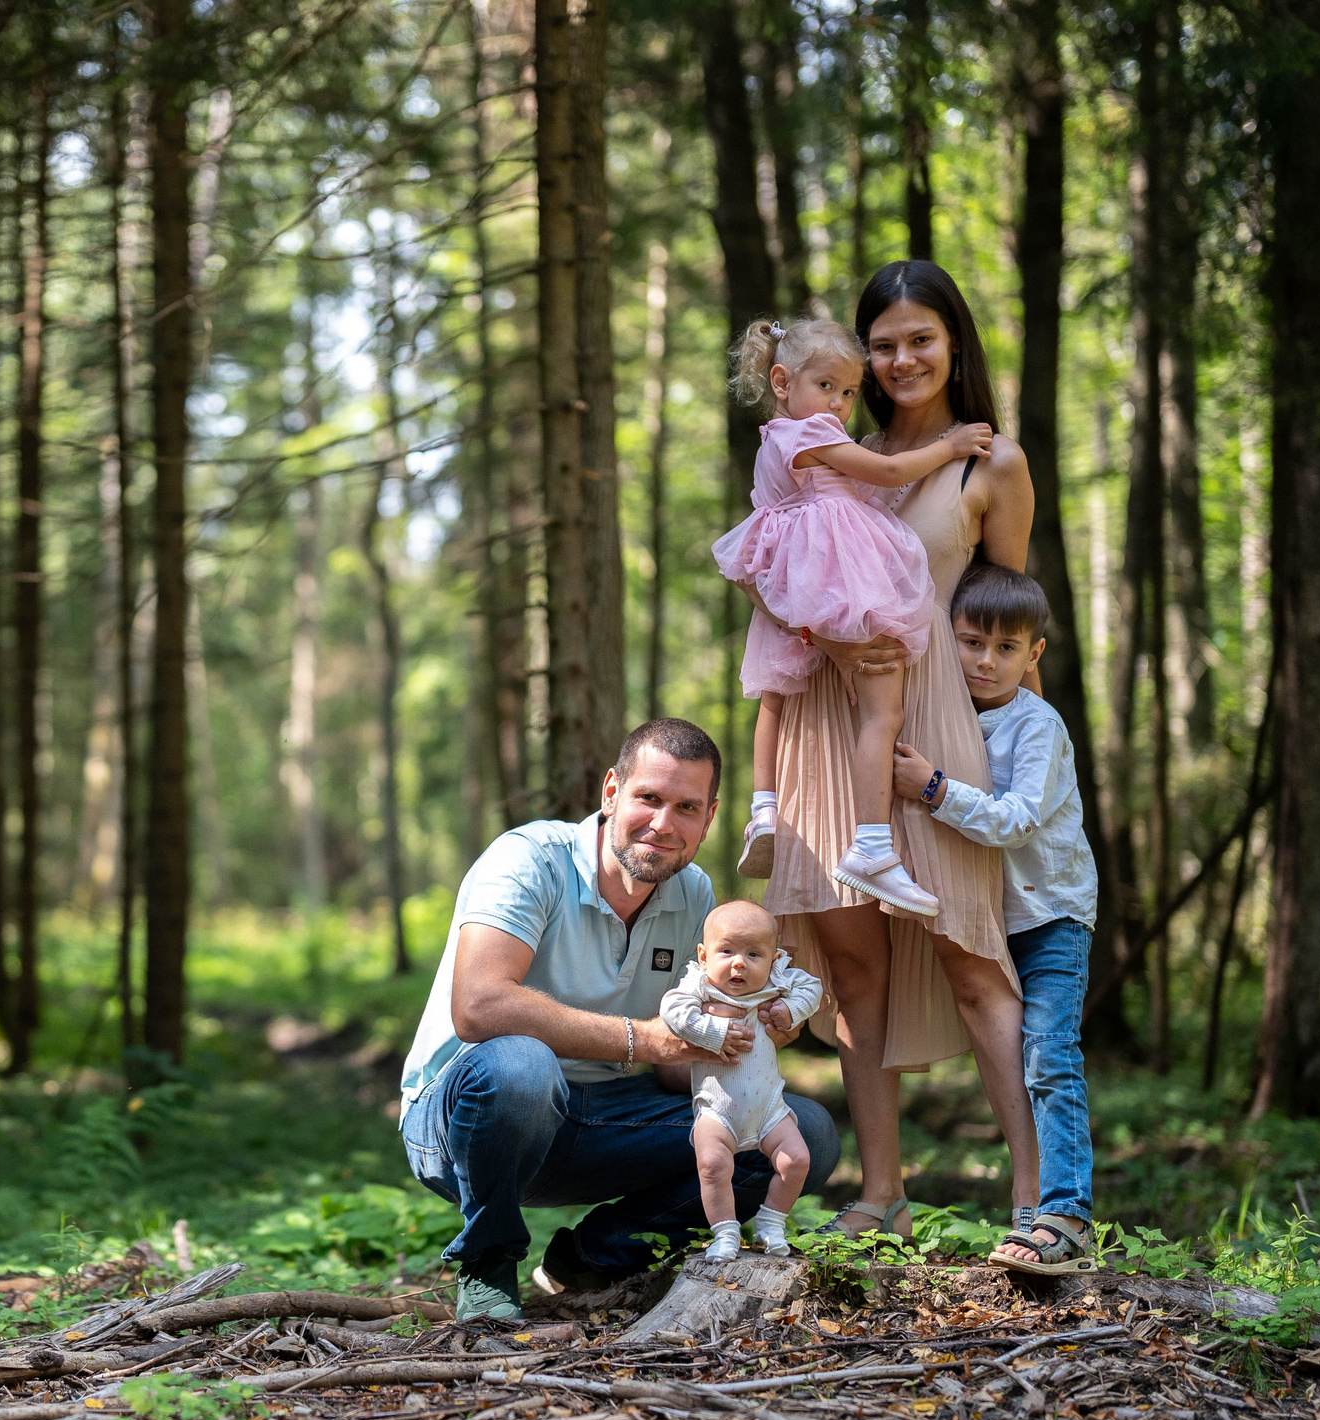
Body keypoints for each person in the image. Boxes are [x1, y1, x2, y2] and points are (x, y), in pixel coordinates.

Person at [759, 260, 1038, 1242]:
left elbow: (1008, 620)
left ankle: (1037, 1203)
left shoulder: (987, 465)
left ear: (952, 342)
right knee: (855, 970)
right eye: (882, 344)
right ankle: (881, 1196)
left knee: (974, 959)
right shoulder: (835, 450)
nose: (901, 357)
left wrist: (1027, 761)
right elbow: (771, 568)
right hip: (824, 725)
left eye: (920, 337)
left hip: (933, 732)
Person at [397, 718, 841, 1322]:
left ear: (708, 820)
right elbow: (479, 1007)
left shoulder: (696, 899)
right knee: (521, 1067)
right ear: (611, 792)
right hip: (469, 1119)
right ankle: (487, 1262)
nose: (663, 824)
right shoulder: (528, 860)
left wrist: (741, 1039)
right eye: (649, 799)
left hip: (610, 1119)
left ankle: (591, 1257)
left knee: (803, 1133)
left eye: (686, 807)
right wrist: (646, 1040)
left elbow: (670, 1075)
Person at [713, 317, 994, 918]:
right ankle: (871, 845)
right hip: (839, 576)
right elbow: (889, 473)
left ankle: (764, 807)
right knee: (882, 710)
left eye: (847, 392)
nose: (839, 405)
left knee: (775, 697)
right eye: (827, 387)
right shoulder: (810, 434)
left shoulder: (775, 442)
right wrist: (951, 446)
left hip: (795, 586)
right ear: (783, 382)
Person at [893, 564, 1101, 1274]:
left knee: (1049, 1055)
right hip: (990, 915)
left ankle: (1067, 1214)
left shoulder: (1037, 724)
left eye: (1006, 648)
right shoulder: (943, 716)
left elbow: (1014, 822)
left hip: (1050, 912)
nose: (986, 660)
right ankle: (1030, 1209)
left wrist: (932, 787)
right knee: (1009, 1059)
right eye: (972, 641)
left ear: (1034, 654)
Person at [658, 900, 825, 1258]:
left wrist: (791, 1009)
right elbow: (672, 1010)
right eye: (727, 951)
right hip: (717, 1109)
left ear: (775, 959)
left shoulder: (777, 980)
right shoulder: (699, 985)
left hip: (769, 1109)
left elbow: (813, 988)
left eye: (754, 954)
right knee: (713, 1165)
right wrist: (712, 1032)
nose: (739, 962)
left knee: (796, 1160)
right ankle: (725, 1232)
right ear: (704, 956)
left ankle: (771, 1221)